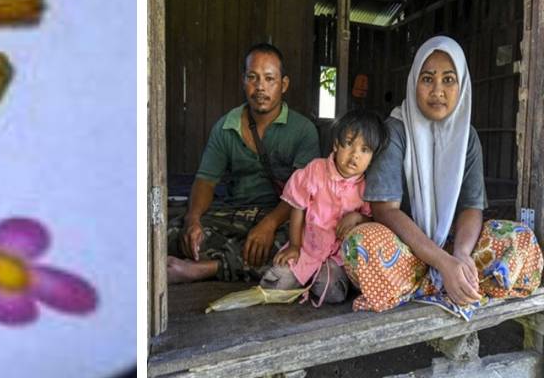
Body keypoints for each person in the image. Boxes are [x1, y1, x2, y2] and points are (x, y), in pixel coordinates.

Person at [342, 36, 543, 319]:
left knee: (520, 238)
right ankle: (451, 282)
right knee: (360, 242)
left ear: (461, 85)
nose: (437, 90)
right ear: (414, 83)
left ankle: (434, 284)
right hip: (406, 250)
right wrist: (442, 263)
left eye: (449, 80)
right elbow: (385, 211)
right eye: (427, 79)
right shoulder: (395, 131)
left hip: (451, 244)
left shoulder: (468, 137)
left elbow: (471, 207)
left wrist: (459, 255)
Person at [168, 43, 321, 283]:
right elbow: (206, 181)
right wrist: (194, 220)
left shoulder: (303, 131)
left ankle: (207, 268)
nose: (260, 86)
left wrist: (269, 224)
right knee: (171, 233)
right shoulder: (226, 126)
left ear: (284, 85)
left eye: (270, 79)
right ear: (244, 80)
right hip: (235, 213)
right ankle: (231, 257)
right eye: (253, 77)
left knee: (300, 247)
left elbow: (303, 197)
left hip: (281, 217)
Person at [260, 110, 387, 304]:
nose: (355, 155)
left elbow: (373, 221)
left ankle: (313, 283)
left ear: (372, 157)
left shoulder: (368, 187)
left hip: (337, 259)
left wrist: (358, 218)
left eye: (365, 150)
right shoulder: (315, 170)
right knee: (273, 286)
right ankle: (301, 277)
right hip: (307, 248)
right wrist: (294, 246)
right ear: (336, 144)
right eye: (349, 143)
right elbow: (298, 207)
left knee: (332, 293)